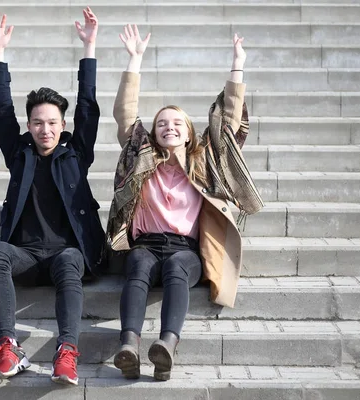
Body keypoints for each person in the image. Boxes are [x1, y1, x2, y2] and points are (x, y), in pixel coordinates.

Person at [106, 25, 263, 381]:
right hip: (145, 244)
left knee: (177, 268)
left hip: (185, 248)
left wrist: (237, 66)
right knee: (139, 265)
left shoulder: (203, 161)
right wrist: (135, 60)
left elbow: (228, 121)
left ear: (190, 132)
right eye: (162, 123)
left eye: (177, 122)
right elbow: (125, 115)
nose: (169, 127)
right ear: (154, 131)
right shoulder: (141, 156)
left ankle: (165, 347)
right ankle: (128, 345)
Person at [0, 8, 105, 386]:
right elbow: (2, 111)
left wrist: (90, 47)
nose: (45, 129)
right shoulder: (19, 154)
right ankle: (8, 346)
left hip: (65, 256)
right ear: (30, 125)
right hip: (26, 255)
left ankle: (66, 352)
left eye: (52, 122)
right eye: (38, 122)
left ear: (62, 126)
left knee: (70, 257)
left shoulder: (76, 155)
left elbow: (88, 109)